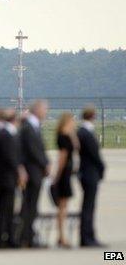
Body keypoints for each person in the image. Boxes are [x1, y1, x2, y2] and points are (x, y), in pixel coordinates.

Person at [0, 109, 26, 248]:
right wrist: (19, 171)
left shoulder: (2, 134)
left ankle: (2, 237)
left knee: (4, 209)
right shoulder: (8, 135)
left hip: (3, 177)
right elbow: (11, 158)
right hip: (7, 178)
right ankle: (6, 238)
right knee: (7, 209)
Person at [19, 100, 50, 248]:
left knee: (32, 205)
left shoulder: (34, 126)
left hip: (36, 172)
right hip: (31, 172)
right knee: (29, 205)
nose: (46, 112)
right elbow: (33, 150)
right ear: (37, 110)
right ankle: (26, 236)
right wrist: (45, 163)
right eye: (45, 109)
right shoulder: (28, 128)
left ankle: (29, 234)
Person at [77, 106, 106, 247]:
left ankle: (87, 236)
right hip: (90, 173)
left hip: (86, 173)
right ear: (93, 116)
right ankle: (87, 237)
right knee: (89, 206)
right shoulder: (86, 133)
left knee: (88, 205)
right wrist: (102, 168)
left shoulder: (81, 132)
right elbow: (95, 155)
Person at [52, 113, 79, 248]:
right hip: (64, 174)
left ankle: (61, 236)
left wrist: (72, 133)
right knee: (62, 207)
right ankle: (61, 236)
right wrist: (57, 175)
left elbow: (76, 146)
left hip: (67, 173)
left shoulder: (68, 135)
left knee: (64, 207)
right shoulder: (62, 137)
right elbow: (62, 157)